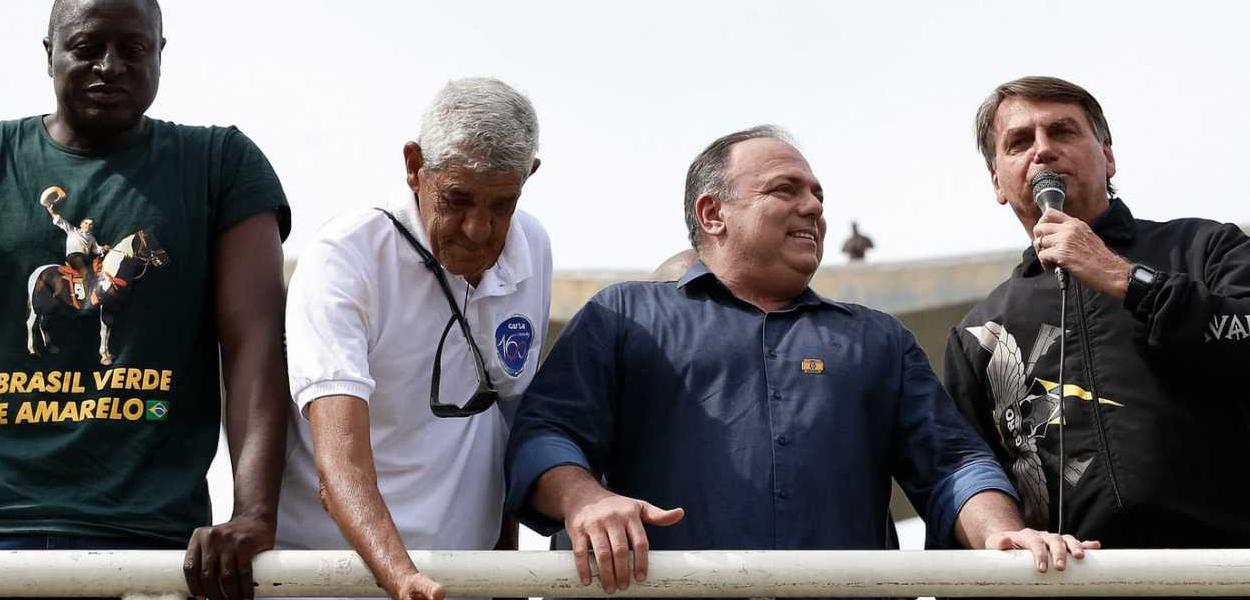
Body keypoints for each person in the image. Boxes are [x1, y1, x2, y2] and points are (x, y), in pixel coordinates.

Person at [506, 125, 1094, 596]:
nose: (813, 206)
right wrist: (586, 500)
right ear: (713, 214)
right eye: (785, 190)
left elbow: (953, 467)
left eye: (817, 194)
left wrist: (1002, 536)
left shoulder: (877, 341)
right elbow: (544, 435)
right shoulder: (622, 317)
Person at [0, 0, 291, 598]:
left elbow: (255, 344)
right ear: (49, 52)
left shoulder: (220, 164)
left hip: (157, 542)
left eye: (132, 50)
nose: (110, 66)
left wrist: (253, 514)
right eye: (87, 48)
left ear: (160, 54)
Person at [945, 75, 1250, 547]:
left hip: (1225, 569)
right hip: (1073, 580)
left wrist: (1124, 278)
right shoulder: (979, 333)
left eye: (1062, 131)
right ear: (997, 181)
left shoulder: (1206, 248)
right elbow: (963, 475)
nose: (1042, 151)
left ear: (1107, 156)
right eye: (1020, 142)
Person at [277, 77, 551, 600]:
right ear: (413, 165)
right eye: (457, 199)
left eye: (501, 205)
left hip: (462, 580)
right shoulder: (347, 257)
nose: (478, 228)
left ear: (528, 178)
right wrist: (401, 578)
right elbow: (340, 463)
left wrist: (505, 579)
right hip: (331, 580)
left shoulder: (532, 246)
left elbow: (503, 425)